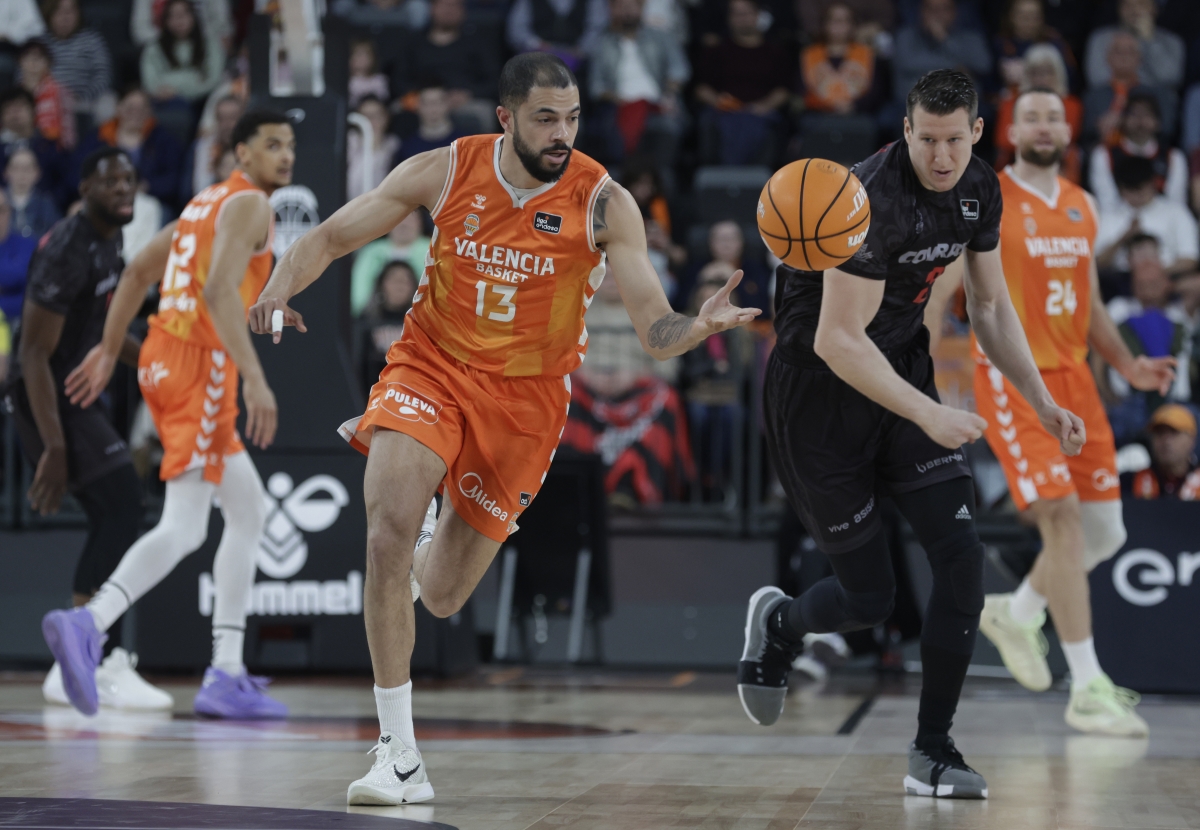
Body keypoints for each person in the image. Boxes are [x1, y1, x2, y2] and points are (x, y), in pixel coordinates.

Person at [248, 52, 758, 805]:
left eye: (573, 117)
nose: (563, 132)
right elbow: (329, 237)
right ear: (507, 118)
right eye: (547, 118)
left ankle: (432, 543)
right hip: (430, 365)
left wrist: (696, 327)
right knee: (385, 529)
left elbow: (653, 326)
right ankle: (399, 754)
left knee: (447, 595)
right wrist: (275, 290)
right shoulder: (446, 169)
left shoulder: (603, 202)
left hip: (525, 403)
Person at [738, 70, 1085, 800]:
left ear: (977, 132)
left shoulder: (977, 189)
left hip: (899, 376)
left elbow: (989, 307)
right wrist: (930, 413)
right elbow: (838, 339)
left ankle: (934, 750)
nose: (940, 155)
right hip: (819, 403)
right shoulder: (867, 200)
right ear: (905, 130)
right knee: (870, 599)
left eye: (954, 139)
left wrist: (1041, 400)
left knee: (962, 559)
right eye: (926, 139)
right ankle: (781, 624)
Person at [927, 89, 1173, 737]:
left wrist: (1128, 367)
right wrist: (919, 375)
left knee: (1106, 534)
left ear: (1070, 128)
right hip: (1013, 377)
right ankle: (1087, 684)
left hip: (1077, 381)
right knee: (1062, 518)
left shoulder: (1083, 203)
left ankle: (1019, 609)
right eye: (1030, 115)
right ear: (1011, 128)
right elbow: (945, 289)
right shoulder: (986, 195)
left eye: (1052, 116)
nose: (1042, 125)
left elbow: (1089, 303)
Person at [42, 111, 297, 720]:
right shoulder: (250, 206)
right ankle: (90, 624)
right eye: (271, 145)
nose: (285, 156)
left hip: (163, 356)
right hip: (200, 365)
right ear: (241, 152)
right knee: (185, 526)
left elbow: (136, 273)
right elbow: (215, 294)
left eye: (290, 145)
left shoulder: (203, 202)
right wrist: (257, 379)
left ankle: (226, 672)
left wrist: (109, 348)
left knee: (249, 510)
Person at [6, 148, 169, 710]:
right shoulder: (68, 249)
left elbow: (106, 329)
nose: (123, 189)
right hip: (43, 395)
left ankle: (79, 658)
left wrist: (156, 369)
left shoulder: (111, 238)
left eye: (129, 179)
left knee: (117, 512)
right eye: (110, 182)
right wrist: (51, 445)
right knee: (123, 505)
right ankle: (95, 656)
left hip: (74, 389)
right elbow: (30, 354)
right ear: (83, 188)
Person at [588, 0, 689, 169]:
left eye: (632, 6)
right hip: (619, 105)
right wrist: (619, 100)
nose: (627, 11)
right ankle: (623, 187)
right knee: (607, 130)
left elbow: (679, 71)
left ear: (642, 8)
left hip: (658, 104)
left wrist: (669, 94)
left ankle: (661, 185)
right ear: (612, 9)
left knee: (668, 127)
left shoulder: (661, 37)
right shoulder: (602, 43)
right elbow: (596, 87)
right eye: (622, 6)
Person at [693, 0, 791, 166]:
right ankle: (725, 178)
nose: (742, 18)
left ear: (758, 15)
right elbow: (701, 88)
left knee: (764, 125)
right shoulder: (716, 51)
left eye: (747, 13)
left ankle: (756, 180)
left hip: (761, 113)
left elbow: (783, 90)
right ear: (729, 18)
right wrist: (718, 101)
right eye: (737, 14)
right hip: (724, 111)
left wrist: (764, 106)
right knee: (713, 123)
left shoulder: (775, 52)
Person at [391, 0, 500, 130]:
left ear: (463, 10)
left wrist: (468, 94)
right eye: (444, 5)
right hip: (423, 100)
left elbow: (495, 81)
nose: (449, 10)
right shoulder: (414, 43)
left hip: (466, 102)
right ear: (432, 9)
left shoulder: (478, 42)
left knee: (486, 112)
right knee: (396, 110)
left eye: (455, 5)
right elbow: (399, 80)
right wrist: (425, 96)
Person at [77, 87, 184, 211]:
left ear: (149, 111)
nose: (135, 113)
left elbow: (174, 179)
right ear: (118, 108)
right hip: (104, 201)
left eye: (141, 109)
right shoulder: (97, 138)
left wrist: (147, 187)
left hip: (150, 202)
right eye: (130, 108)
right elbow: (78, 174)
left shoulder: (164, 140)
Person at [1095, 155, 1198, 277]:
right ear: (1120, 189)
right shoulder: (1108, 217)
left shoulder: (1176, 212)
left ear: (1152, 183)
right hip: (1120, 281)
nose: (1137, 195)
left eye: (1141, 189)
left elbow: (1190, 260)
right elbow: (1096, 264)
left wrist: (1151, 276)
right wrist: (1124, 238)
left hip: (1168, 278)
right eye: (1130, 190)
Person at [1089, 91, 1189, 214]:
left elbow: (1176, 203)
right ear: (1123, 120)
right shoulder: (1104, 155)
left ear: (1158, 122)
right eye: (1134, 114)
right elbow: (1106, 203)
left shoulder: (1173, 157)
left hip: (1163, 220)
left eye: (1147, 115)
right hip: (1118, 219)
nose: (1140, 121)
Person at [992, 44, 1083, 180]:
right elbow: (1003, 140)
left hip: (1058, 165)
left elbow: (1066, 138)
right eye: (1035, 73)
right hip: (1017, 164)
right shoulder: (1011, 103)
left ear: (1058, 74)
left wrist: (1027, 138)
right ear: (1026, 76)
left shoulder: (1071, 104)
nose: (1041, 79)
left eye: (1047, 72)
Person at [890, 0, 991, 115]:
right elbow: (907, 63)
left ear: (954, 12)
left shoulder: (971, 38)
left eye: (944, 9)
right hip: (914, 105)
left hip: (961, 105)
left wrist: (945, 41)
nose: (937, 15)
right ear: (921, 12)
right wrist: (958, 68)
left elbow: (983, 65)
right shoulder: (905, 36)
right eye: (931, 9)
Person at [39, 0, 113, 125]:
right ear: (49, 15)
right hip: (48, 102)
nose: (65, 17)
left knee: (108, 102)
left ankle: (102, 144)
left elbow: (103, 75)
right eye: (59, 12)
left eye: (70, 12)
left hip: (86, 100)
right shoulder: (39, 43)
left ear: (78, 14)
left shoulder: (92, 40)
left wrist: (82, 98)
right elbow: (24, 76)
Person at [1084, 0, 1185, 92]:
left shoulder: (1172, 40)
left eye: (1141, 4)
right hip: (1111, 94)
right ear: (1119, 9)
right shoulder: (1101, 37)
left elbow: (1170, 78)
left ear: (1155, 9)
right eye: (1127, 4)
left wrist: (1150, 40)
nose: (1134, 10)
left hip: (1153, 97)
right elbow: (1096, 78)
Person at [140, 0, 226, 107]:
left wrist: (176, 88)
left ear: (194, 16)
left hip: (204, 101)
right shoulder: (154, 47)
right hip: (167, 101)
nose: (179, 20)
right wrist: (193, 79)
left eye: (184, 14)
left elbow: (213, 80)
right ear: (165, 20)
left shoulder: (210, 43)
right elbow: (150, 83)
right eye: (172, 15)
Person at [800, 2, 875, 115]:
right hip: (819, 117)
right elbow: (802, 92)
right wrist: (829, 106)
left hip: (858, 116)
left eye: (844, 20)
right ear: (824, 24)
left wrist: (854, 105)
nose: (839, 25)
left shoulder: (866, 53)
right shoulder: (809, 54)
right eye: (834, 20)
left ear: (853, 25)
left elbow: (876, 92)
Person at [350, 210, 430, 316]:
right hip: (375, 320)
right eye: (399, 219)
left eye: (410, 219)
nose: (404, 224)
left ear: (420, 222)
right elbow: (358, 296)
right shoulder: (371, 252)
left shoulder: (433, 249)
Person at [357, 260, 417, 392]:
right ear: (381, 284)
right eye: (394, 280)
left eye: (406, 281)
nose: (400, 286)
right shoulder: (365, 322)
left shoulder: (421, 324)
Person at [505, 0, 608, 71]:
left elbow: (598, 28)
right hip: (537, 58)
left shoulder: (593, 2)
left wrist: (581, 49)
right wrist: (537, 44)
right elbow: (517, 30)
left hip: (579, 61)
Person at [1124, 403, 1200, 499]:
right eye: (1159, 433)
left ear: (1192, 439)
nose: (1166, 441)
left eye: (1174, 432)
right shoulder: (1128, 482)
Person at [180, 93, 242, 202]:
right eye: (221, 119)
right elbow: (190, 191)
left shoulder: (252, 147)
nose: (227, 125)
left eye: (232, 118)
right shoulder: (202, 148)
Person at [17, 40, 75, 150]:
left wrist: (66, 150)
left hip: (52, 148)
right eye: (28, 58)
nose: (33, 63)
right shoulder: (14, 95)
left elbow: (68, 125)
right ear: (20, 61)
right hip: (19, 147)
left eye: (38, 58)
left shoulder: (61, 91)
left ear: (48, 63)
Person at [393, 84, 464, 163]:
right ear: (418, 106)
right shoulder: (407, 148)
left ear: (448, 104)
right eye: (426, 103)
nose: (433, 109)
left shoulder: (466, 144)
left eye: (438, 102)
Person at [347, 95, 400, 201]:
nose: (371, 121)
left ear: (386, 117)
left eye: (376, 115)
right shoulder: (350, 142)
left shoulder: (393, 145)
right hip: (348, 207)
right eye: (365, 116)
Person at [0, 188, 38, 323]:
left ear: (9, 212)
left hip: (18, 322)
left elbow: (22, 276)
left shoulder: (27, 245)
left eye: (1, 210)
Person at [5, 146, 59, 240]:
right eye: (16, 168)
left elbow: (55, 236)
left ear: (37, 173)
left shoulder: (46, 204)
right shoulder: (2, 202)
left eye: (27, 169)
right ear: (7, 172)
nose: (22, 174)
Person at [348, 38, 389, 109]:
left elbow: (384, 103)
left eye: (365, 55)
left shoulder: (379, 80)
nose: (360, 60)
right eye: (357, 55)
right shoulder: (347, 82)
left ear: (373, 58)